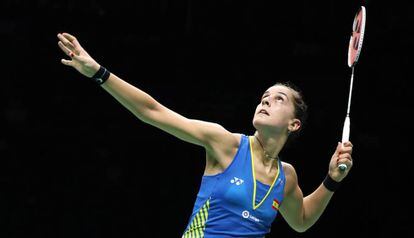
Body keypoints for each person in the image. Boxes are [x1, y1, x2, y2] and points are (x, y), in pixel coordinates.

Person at [57, 32, 353, 237]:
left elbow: (300, 220)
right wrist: (98, 72)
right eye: (264, 96)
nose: (265, 101)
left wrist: (331, 181)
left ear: (294, 124)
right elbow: (153, 111)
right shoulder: (225, 143)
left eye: (279, 99)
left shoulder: (285, 177)